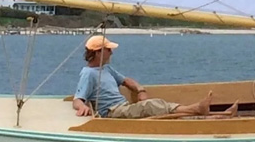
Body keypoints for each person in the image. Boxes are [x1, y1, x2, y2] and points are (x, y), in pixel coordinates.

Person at [72, 35, 238, 119]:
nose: (111, 52)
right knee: (152, 105)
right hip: (112, 112)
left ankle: (217, 117)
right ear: (98, 52)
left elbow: (126, 81)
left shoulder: (106, 69)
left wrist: (140, 89)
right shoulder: (88, 74)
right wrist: (82, 107)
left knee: (160, 110)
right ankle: (196, 109)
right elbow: (78, 99)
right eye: (108, 49)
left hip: (123, 108)